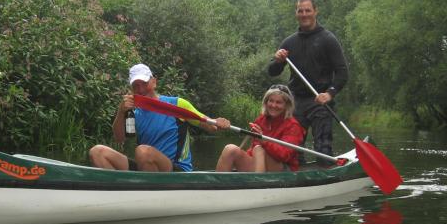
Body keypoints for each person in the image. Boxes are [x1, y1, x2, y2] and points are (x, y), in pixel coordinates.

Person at [89, 63, 230, 172]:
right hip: (145, 165)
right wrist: (121, 112)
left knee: (143, 151)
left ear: (154, 82)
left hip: (177, 171)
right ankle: (122, 192)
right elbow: (119, 139)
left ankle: (145, 193)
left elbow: (211, 126)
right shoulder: (133, 113)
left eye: (144, 83)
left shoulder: (177, 104)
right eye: (136, 86)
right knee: (97, 152)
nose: (141, 89)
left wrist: (219, 123)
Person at [268, 0, 348, 157]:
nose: (304, 14)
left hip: (320, 100)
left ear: (315, 12)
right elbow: (272, 71)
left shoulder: (328, 39)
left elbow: (342, 72)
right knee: (292, 153)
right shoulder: (289, 42)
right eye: (300, 11)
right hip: (295, 103)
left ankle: (326, 166)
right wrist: (277, 60)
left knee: (323, 150)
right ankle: (296, 170)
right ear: (296, 13)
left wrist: (330, 94)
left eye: (308, 10)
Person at [215, 84, 305, 172]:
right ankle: (217, 181)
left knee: (259, 149)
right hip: (260, 163)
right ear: (266, 102)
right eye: (271, 101)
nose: (273, 105)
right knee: (230, 149)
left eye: (278, 102)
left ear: (286, 105)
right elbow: (252, 149)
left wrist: (264, 141)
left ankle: (257, 180)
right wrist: (242, 157)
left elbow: (285, 155)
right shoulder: (261, 120)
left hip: (283, 170)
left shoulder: (293, 126)